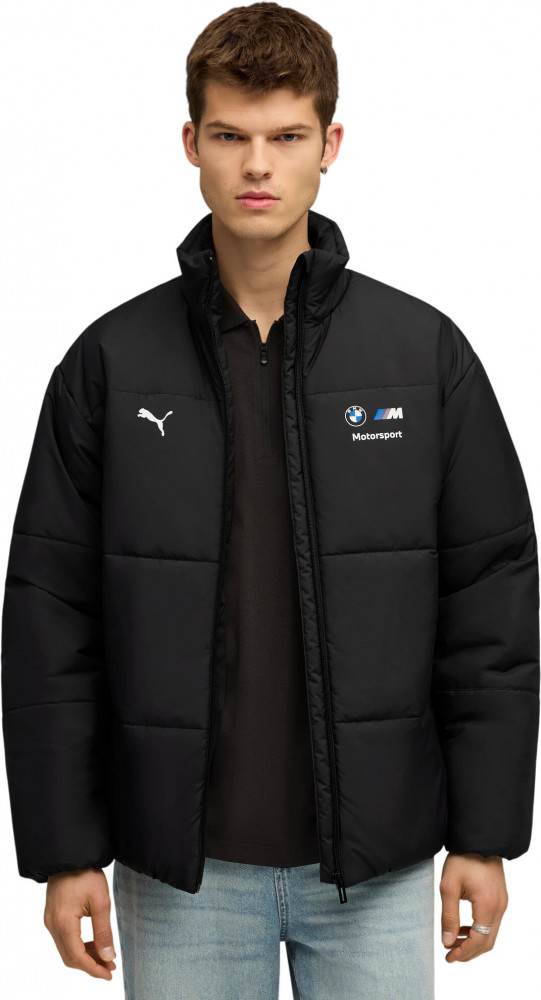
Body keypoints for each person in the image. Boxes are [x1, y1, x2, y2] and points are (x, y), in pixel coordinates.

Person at [1, 3, 539, 998]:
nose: (258, 165)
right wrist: (66, 851)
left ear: (329, 145)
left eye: (287, 136)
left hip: (376, 867)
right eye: (231, 136)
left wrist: (483, 834)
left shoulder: (422, 357)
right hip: (182, 872)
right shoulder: (109, 365)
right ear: (191, 144)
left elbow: (490, 605)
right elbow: (49, 618)